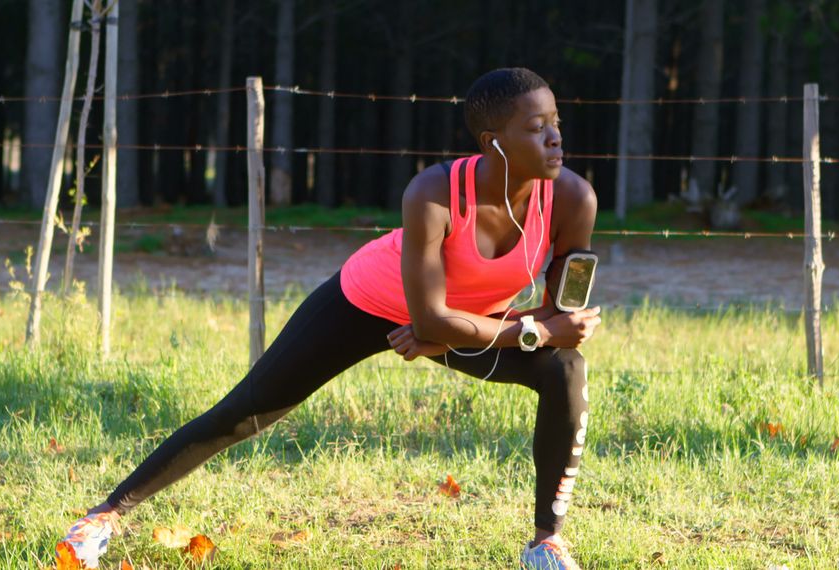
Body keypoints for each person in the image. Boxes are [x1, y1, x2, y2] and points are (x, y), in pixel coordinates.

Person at [59, 67, 601, 570]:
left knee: (564, 369)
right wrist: (504, 331)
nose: (555, 137)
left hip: (461, 324)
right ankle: (101, 517)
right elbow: (435, 317)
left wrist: (475, 335)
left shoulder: (574, 199)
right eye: (536, 127)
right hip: (366, 300)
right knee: (246, 412)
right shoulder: (434, 193)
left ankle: (546, 542)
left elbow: (564, 317)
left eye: (556, 123)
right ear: (493, 142)